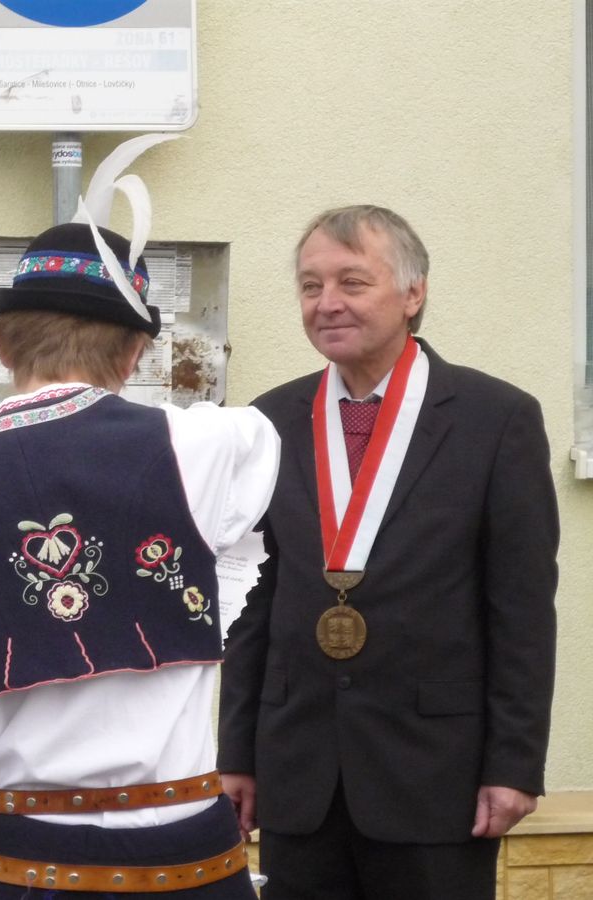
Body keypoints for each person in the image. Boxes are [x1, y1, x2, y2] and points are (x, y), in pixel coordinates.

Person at [0, 136, 279, 899]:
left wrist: (1, 797)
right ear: (137, 352)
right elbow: (259, 472)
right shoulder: (206, 448)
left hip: (16, 858)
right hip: (186, 858)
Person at [217, 205, 560, 899]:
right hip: (297, 774)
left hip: (437, 776)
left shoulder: (496, 419)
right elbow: (253, 600)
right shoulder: (269, 422)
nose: (327, 302)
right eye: (310, 286)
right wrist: (237, 753)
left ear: (413, 293)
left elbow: (521, 610)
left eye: (352, 282)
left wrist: (514, 764)